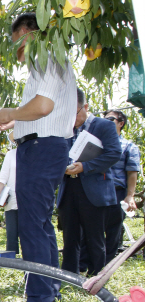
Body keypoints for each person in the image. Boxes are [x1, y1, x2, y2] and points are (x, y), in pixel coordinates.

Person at [0, 12, 77, 302]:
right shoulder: (54, 60)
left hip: (42, 149)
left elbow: (43, 106)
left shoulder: (46, 55)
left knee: (31, 224)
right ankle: (45, 292)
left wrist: (8, 111)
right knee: (40, 224)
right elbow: (45, 111)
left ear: (28, 33)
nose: (17, 52)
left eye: (17, 43)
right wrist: (16, 121)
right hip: (45, 145)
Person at [57, 88, 121, 277]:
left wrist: (85, 166)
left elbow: (113, 153)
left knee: (94, 236)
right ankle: (69, 273)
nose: (71, 118)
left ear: (85, 106)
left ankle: (96, 275)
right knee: (70, 236)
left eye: (74, 113)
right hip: (69, 187)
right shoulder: (65, 130)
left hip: (93, 187)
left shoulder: (103, 126)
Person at [104, 109, 141, 261]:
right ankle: (89, 262)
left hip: (117, 191)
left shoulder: (128, 147)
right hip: (97, 190)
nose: (106, 122)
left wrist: (130, 196)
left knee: (113, 229)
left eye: (111, 119)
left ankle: (107, 263)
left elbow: (132, 173)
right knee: (92, 228)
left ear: (120, 123)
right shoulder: (98, 143)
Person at [0, 140, 19, 255]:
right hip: (13, 199)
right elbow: (3, 177)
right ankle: (12, 265)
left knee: (29, 234)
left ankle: (29, 264)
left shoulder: (35, 153)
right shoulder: (11, 154)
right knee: (12, 233)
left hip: (30, 200)